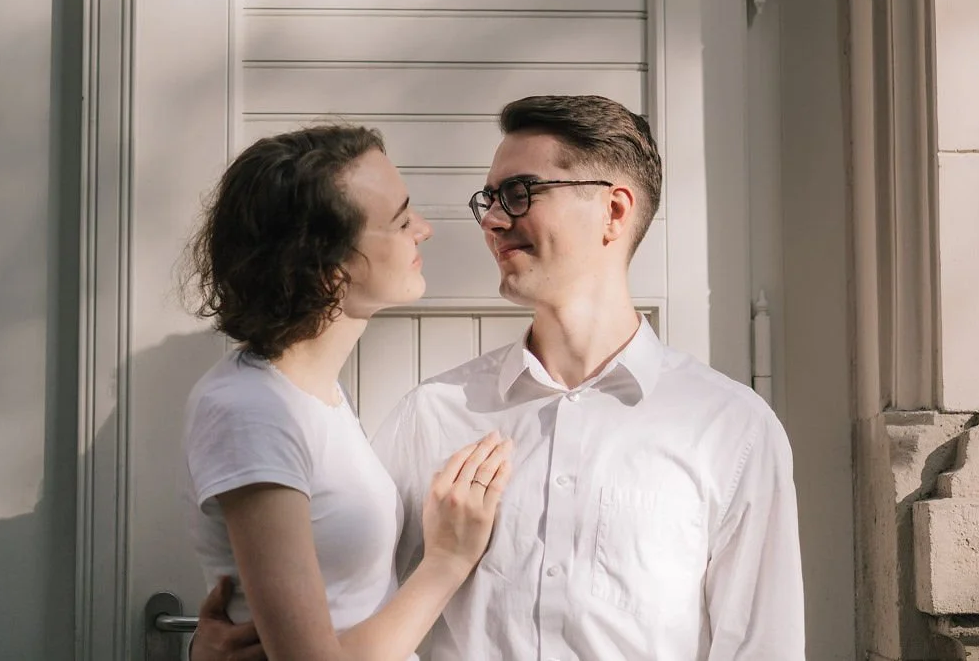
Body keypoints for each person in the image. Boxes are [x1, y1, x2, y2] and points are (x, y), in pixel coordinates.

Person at [192, 95, 805, 661]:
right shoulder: (431, 415)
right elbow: (347, 608)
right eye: (488, 200)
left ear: (613, 211)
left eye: (518, 193)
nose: (489, 220)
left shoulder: (733, 432)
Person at [181, 124, 513, 661]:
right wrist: (446, 563)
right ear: (327, 267)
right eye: (401, 221)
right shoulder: (252, 410)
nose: (424, 229)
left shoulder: (313, 396)